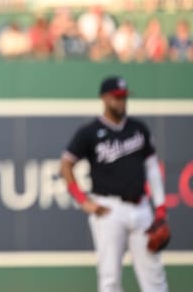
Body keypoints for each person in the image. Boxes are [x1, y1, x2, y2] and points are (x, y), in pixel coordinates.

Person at [59, 76, 170, 292]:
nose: (121, 102)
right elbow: (65, 165)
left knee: (155, 278)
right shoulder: (90, 132)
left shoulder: (139, 128)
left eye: (124, 97)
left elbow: (152, 168)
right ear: (104, 98)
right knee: (110, 278)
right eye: (117, 97)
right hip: (109, 209)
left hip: (141, 207)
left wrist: (161, 207)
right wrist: (84, 201)